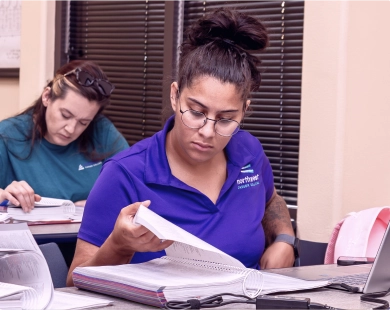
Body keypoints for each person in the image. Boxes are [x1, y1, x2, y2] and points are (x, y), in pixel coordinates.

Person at [67, 8, 295, 286]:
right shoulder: (124, 174)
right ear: (175, 96)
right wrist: (118, 245)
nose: (208, 132)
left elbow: (271, 200)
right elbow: (74, 282)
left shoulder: (248, 152)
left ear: (244, 111)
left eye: (226, 119)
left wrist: (284, 239)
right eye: (196, 112)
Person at [0, 60, 129, 211]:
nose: (71, 129)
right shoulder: (7, 135)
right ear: (47, 97)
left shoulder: (102, 131)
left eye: (83, 122)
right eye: (65, 115)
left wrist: (102, 204)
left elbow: (133, 185)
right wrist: (3, 195)